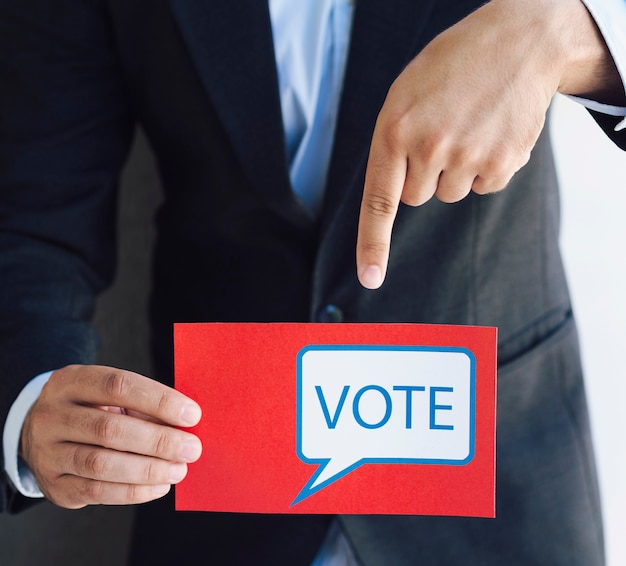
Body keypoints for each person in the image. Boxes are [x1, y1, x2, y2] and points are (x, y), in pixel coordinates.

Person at [1, 0, 625, 564]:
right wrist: (27, 407)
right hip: (223, 492)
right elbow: (32, 212)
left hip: (498, 483)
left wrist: (569, 28)